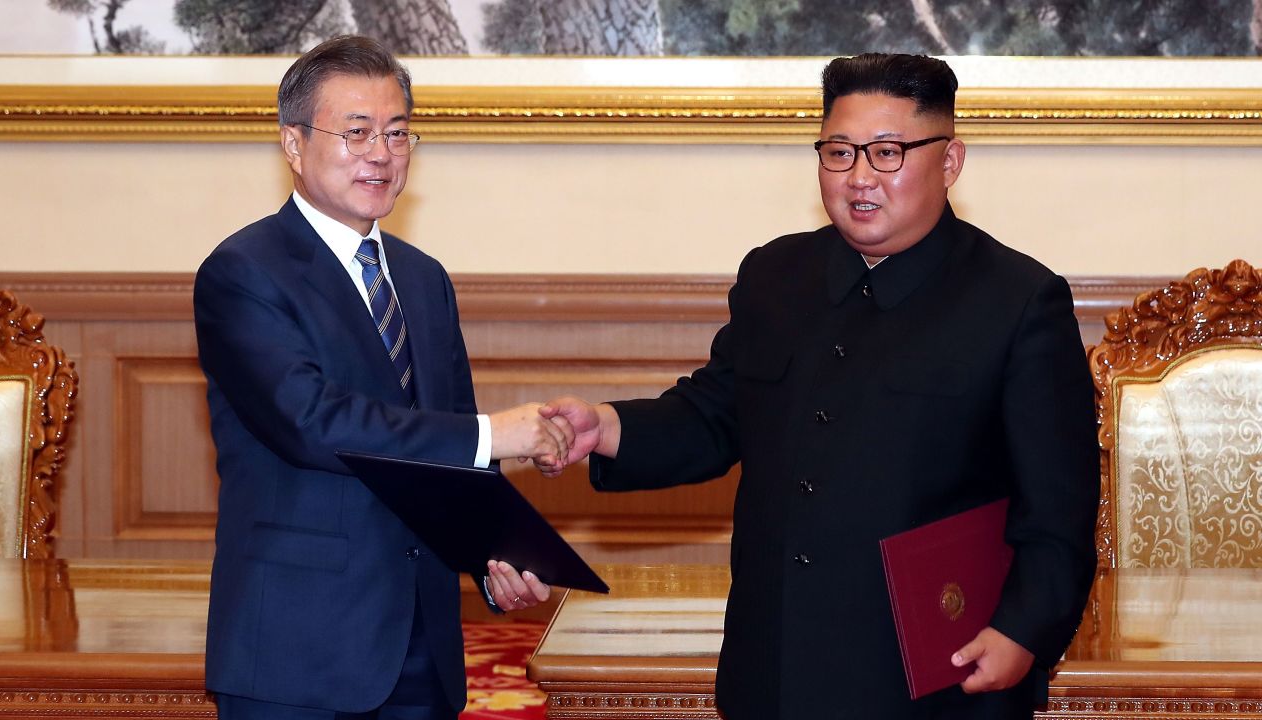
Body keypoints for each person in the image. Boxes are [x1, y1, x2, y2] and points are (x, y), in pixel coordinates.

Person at [539, 53, 1099, 719]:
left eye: (887, 152)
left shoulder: (1017, 301)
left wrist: (1023, 631)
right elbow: (716, 415)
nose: (859, 177)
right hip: (777, 666)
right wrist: (608, 428)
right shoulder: (777, 276)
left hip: (933, 680)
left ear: (949, 162)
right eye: (839, 152)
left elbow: (1059, 512)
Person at [194, 35, 564, 720]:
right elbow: (313, 422)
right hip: (298, 653)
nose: (381, 153)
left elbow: (446, 455)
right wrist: (493, 434)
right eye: (357, 131)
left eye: (397, 134)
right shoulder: (243, 272)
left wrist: (495, 560)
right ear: (293, 144)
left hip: (421, 646)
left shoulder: (423, 280)